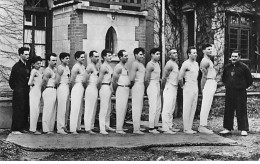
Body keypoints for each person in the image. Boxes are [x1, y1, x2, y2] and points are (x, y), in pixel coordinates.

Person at [220, 50, 253, 136]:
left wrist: (241, 86)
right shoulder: (227, 67)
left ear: (239, 57)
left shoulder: (244, 67)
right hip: (229, 91)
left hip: (240, 92)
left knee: (241, 109)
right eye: (232, 56)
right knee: (228, 109)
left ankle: (243, 129)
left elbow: (249, 80)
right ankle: (227, 128)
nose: (233, 58)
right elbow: (224, 78)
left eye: (235, 56)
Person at [9, 47, 31, 134]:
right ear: (21, 55)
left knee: (25, 109)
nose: (27, 56)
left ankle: (23, 127)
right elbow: (11, 81)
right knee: (18, 109)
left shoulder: (27, 65)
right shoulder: (16, 66)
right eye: (25, 54)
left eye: (28, 54)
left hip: (26, 91)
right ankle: (15, 129)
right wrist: (17, 88)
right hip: (19, 91)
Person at [179, 46, 199, 134]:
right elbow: (180, 77)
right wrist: (182, 86)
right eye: (193, 53)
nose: (195, 54)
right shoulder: (185, 64)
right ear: (189, 54)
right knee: (187, 107)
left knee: (193, 107)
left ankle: (190, 127)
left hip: (195, 86)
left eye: (196, 52)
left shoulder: (196, 64)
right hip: (188, 87)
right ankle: (186, 128)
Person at [198, 44, 217, 134]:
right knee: (205, 104)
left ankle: (204, 125)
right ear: (203, 51)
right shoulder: (204, 61)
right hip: (208, 83)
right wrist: (203, 88)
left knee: (208, 104)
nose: (210, 50)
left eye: (211, 49)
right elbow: (203, 77)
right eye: (208, 49)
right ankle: (202, 126)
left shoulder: (209, 60)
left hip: (212, 82)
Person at [161, 49, 180, 134]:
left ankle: (170, 126)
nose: (175, 54)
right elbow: (164, 78)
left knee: (171, 108)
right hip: (169, 87)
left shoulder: (175, 64)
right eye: (173, 53)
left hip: (174, 87)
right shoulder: (169, 64)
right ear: (169, 55)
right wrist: (163, 88)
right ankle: (165, 128)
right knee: (167, 108)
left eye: (176, 53)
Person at [112, 50, 130, 134]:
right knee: (120, 109)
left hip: (126, 89)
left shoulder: (125, 67)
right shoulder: (118, 67)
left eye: (127, 56)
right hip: (120, 89)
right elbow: (114, 81)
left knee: (124, 109)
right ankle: (118, 129)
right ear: (120, 57)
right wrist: (117, 90)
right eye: (125, 56)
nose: (127, 57)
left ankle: (121, 127)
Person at [97, 49, 115, 134]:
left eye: (111, 55)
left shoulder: (109, 66)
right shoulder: (103, 66)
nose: (111, 57)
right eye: (109, 55)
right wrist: (99, 89)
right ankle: (102, 128)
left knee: (108, 108)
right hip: (104, 86)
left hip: (108, 87)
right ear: (104, 57)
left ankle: (107, 125)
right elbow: (99, 80)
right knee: (104, 108)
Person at [145, 48, 161, 134]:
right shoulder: (150, 64)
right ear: (152, 54)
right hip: (152, 85)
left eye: (159, 54)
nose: (158, 56)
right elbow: (146, 79)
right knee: (153, 106)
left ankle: (155, 125)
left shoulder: (157, 64)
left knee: (158, 106)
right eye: (157, 54)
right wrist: (147, 88)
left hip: (157, 84)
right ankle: (151, 127)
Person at [129, 47, 146, 134]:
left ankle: (138, 126)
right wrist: (133, 87)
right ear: (135, 55)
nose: (142, 56)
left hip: (141, 86)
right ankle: (136, 129)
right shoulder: (134, 64)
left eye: (143, 54)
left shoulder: (141, 64)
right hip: (136, 86)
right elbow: (131, 78)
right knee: (136, 107)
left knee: (140, 107)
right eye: (140, 54)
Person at [69, 51, 86, 134]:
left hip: (82, 87)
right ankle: (72, 128)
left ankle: (78, 126)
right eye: (81, 57)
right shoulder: (75, 67)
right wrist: (72, 90)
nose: (83, 58)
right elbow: (72, 80)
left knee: (80, 108)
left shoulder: (83, 66)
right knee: (75, 108)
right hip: (76, 87)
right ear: (77, 58)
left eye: (84, 57)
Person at [83, 51, 100, 134]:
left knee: (93, 108)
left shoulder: (96, 66)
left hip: (95, 88)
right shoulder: (89, 66)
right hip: (90, 88)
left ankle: (91, 126)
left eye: (98, 56)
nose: (97, 58)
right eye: (95, 56)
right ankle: (87, 128)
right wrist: (88, 88)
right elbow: (84, 80)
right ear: (90, 57)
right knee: (89, 108)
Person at [41, 53, 58, 134]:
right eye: (53, 60)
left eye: (55, 60)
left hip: (54, 90)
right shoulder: (47, 70)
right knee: (47, 110)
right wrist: (45, 91)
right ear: (48, 61)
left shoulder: (55, 69)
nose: (55, 62)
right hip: (48, 89)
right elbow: (44, 83)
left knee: (53, 110)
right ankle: (45, 129)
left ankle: (50, 128)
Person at [56, 52, 70, 134]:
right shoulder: (60, 68)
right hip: (62, 87)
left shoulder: (67, 67)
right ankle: (60, 128)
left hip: (66, 87)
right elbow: (57, 81)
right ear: (61, 59)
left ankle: (64, 126)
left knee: (66, 108)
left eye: (68, 58)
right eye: (66, 58)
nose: (68, 60)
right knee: (61, 108)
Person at [28, 56, 43, 135]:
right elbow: (29, 82)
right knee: (34, 110)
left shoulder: (39, 71)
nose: (39, 65)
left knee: (37, 110)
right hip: (34, 91)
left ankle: (34, 127)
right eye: (37, 64)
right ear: (33, 64)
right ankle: (33, 129)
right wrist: (33, 84)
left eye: (40, 63)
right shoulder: (34, 71)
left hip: (38, 92)